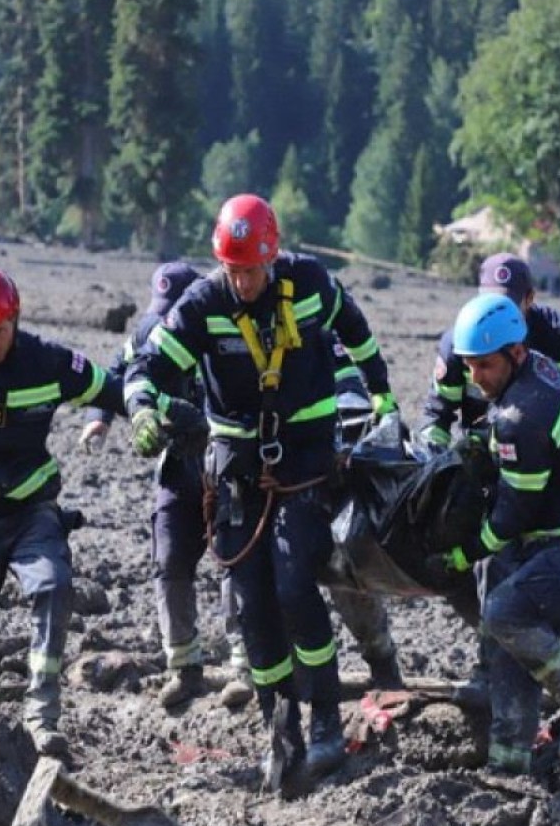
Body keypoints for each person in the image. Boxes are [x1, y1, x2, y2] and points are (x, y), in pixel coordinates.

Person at [125, 194, 399, 784]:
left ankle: (325, 718)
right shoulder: (202, 304)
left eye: (251, 269)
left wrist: (380, 391)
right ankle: (281, 726)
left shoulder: (311, 285)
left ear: (271, 259)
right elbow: (147, 367)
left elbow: (356, 329)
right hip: (237, 465)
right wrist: (143, 409)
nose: (242, 281)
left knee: (294, 582)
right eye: (232, 269)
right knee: (250, 602)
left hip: (304, 459)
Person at [0, 267, 128, 758]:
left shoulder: (48, 362)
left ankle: (42, 710)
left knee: (53, 584)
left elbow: (112, 387)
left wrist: (147, 413)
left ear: (15, 318)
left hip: (29, 509)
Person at [441, 293, 560, 776]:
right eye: (468, 366)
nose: (475, 378)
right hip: (556, 536)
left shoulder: (520, 416)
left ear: (515, 354)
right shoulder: (535, 369)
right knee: (505, 636)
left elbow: (512, 515)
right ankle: (509, 766)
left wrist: (464, 554)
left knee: (505, 611)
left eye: (484, 366)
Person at [80, 261, 254, 710]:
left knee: (234, 560)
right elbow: (116, 376)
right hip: (179, 464)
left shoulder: (223, 331)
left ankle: (245, 666)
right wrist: (99, 421)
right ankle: (184, 666)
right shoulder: (146, 333)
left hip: (228, 463)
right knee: (170, 557)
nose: (167, 318)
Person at [417, 253, 560, 457]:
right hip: (483, 460)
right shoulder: (459, 345)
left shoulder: (558, 335)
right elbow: (437, 415)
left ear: (530, 298)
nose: (497, 314)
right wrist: (432, 460)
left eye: (508, 305)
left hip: (549, 465)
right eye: (490, 303)